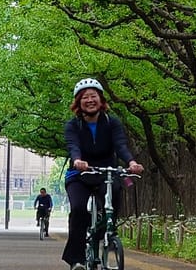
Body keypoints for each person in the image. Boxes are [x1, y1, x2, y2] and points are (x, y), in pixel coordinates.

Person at [61, 78, 144, 270]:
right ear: (78, 103)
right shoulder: (73, 125)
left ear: (101, 100)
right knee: (79, 210)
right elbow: (73, 146)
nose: (90, 100)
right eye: (85, 97)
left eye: (94, 96)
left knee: (114, 197)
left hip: (106, 171)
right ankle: (77, 259)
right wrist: (77, 161)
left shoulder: (112, 123)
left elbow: (120, 145)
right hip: (79, 174)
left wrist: (131, 162)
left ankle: (106, 234)